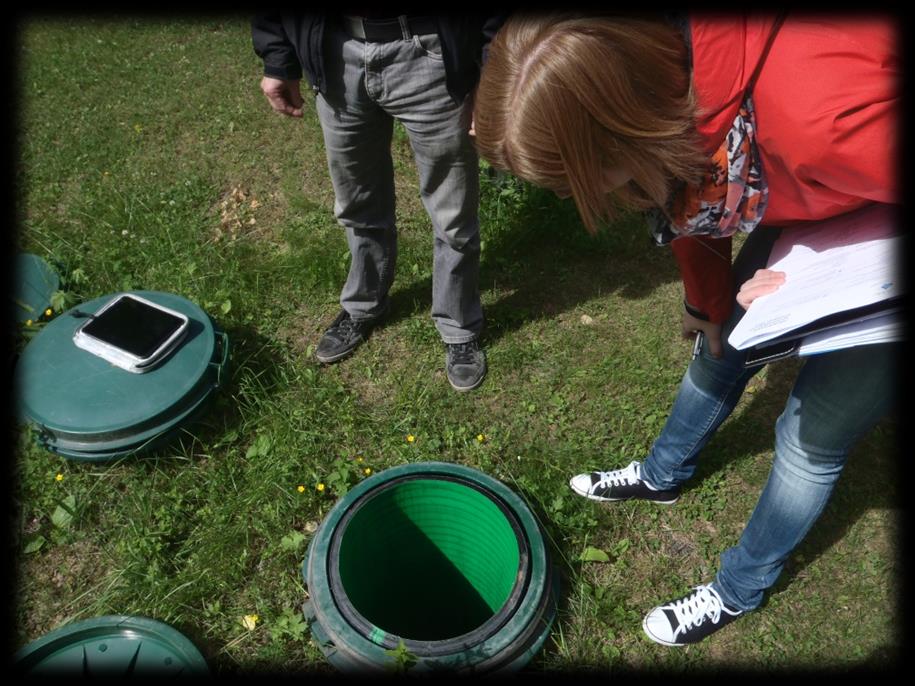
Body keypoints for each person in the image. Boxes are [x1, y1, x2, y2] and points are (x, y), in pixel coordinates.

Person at [472, 12, 899, 645]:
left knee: (810, 438)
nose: (567, 201)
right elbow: (689, 201)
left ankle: (739, 588)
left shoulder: (823, 121)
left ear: (622, 133)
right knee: (722, 349)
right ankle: (663, 475)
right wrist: (711, 305)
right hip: (828, 212)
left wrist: (824, 286)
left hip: (876, 266)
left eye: (572, 182)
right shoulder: (683, 103)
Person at [252, 13, 506, 391]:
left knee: (452, 215)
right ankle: (363, 305)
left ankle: (458, 327)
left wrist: (493, 71)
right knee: (357, 202)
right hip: (336, 51)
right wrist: (277, 56)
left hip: (430, 51)